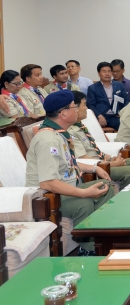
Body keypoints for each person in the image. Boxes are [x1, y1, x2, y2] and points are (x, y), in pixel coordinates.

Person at [24, 90, 115, 256]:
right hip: (47, 198)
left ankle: (103, 240)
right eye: (74, 107)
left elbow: (67, 162)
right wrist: (83, 193)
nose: (77, 110)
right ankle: (86, 250)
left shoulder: (59, 134)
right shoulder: (48, 140)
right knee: (84, 203)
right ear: (63, 113)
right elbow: (48, 182)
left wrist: (94, 168)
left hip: (66, 186)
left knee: (106, 186)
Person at [68, 90, 130, 185]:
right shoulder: (71, 131)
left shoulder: (80, 126)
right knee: (129, 171)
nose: (87, 108)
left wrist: (112, 158)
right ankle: (127, 197)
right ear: (75, 108)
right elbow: (83, 158)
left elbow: (96, 151)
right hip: (97, 166)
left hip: (103, 161)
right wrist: (111, 164)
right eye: (84, 105)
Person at [86, 62, 130, 130]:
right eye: (104, 71)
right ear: (98, 73)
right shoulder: (92, 88)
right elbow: (91, 105)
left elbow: (126, 100)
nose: (107, 74)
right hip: (101, 116)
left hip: (116, 116)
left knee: (128, 125)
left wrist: (122, 112)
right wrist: (99, 115)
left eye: (109, 71)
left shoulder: (119, 85)